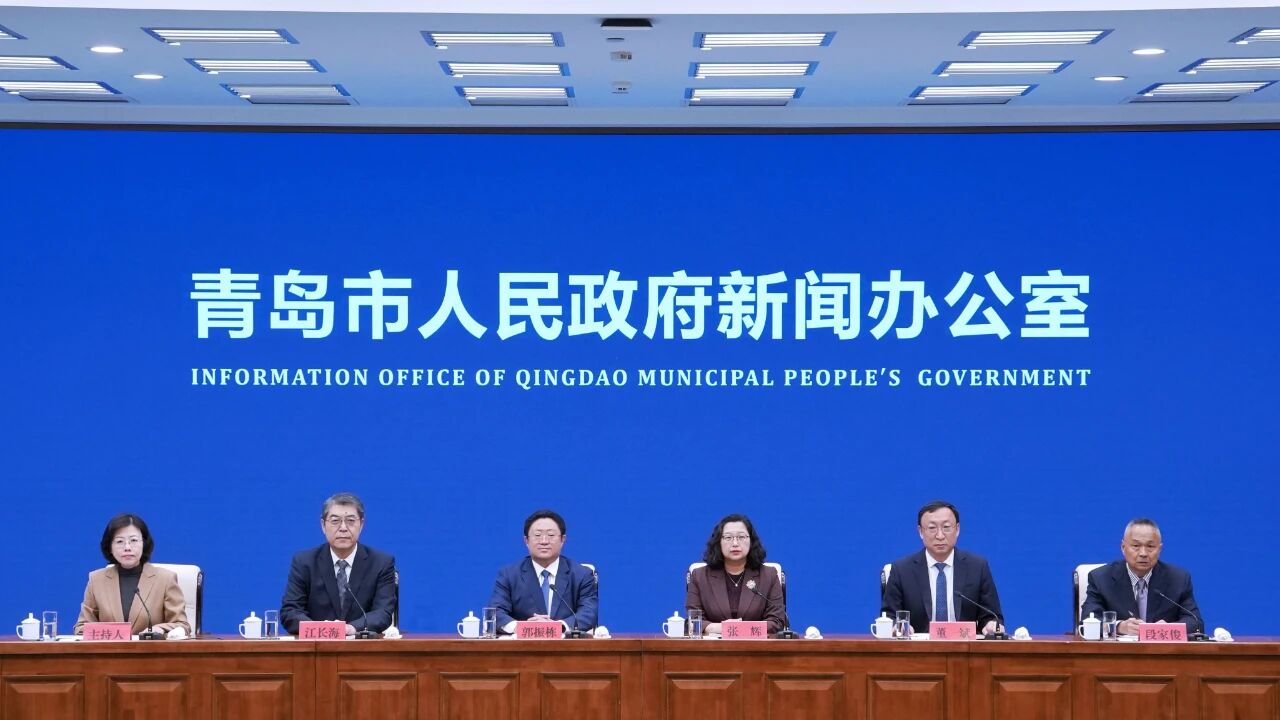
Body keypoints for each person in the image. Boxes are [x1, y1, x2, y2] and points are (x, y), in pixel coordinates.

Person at [280, 492, 397, 636]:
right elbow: (290, 611)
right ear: (323, 525)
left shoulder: (381, 563)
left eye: (350, 521)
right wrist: (321, 630)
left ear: (361, 525)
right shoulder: (304, 562)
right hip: (316, 645)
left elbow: (383, 612)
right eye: (335, 521)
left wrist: (350, 628)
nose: (343, 528)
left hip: (362, 646)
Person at [882, 500, 1004, 635]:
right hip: (918, 647)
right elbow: (889, 616)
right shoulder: (902, 570)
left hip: (964, 645)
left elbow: (991, 616)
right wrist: (897, 626)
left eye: (946, 527)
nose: (940, 536)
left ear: (957, 529)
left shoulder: (977, 567)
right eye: (932, 528)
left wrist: (991, 625)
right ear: (920, 532)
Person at [73, 513, 190, 636]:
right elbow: (81, 628)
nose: (127, 547)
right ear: (110, 547)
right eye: (119, 541)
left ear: (144, 543)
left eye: (133, 540)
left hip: (150, 647)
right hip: (109, 648)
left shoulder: (165, 579)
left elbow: (181, 625)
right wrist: (114, 634)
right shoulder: (96, 580)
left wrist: (159, 629)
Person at [1081, 518, 1203, 635]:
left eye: (1150, 547)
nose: (1143, 553)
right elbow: (1087, 622)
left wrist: (1167, 629)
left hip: (1161, 649)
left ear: (1159, 549)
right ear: (1123, 547)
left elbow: (1195, 623)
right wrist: (1118, 627)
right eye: (1136, 546)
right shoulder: (1101, 578)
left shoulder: (1178, 579)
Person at [488, 509, 598, 634]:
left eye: (551, 535)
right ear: (526, 541)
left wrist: (558, 627)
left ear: (563, 540)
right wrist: (522, 627)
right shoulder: (509, 575)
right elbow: (496, 612)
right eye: (537, 535)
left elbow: (589, 613)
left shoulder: (582, 574)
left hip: (565, 644)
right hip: (522, 644)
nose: (544, 541)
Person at [685, 514, 786, 635]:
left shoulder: (769, 576)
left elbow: (777, 621)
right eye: (728, 537)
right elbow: (693, 621)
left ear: (751, 541)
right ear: (719, 542)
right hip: (713, 645)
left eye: (741, 537)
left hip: (756, 645)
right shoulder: (700, 576)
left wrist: (738, 629)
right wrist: (719, 628)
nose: (735, 543)